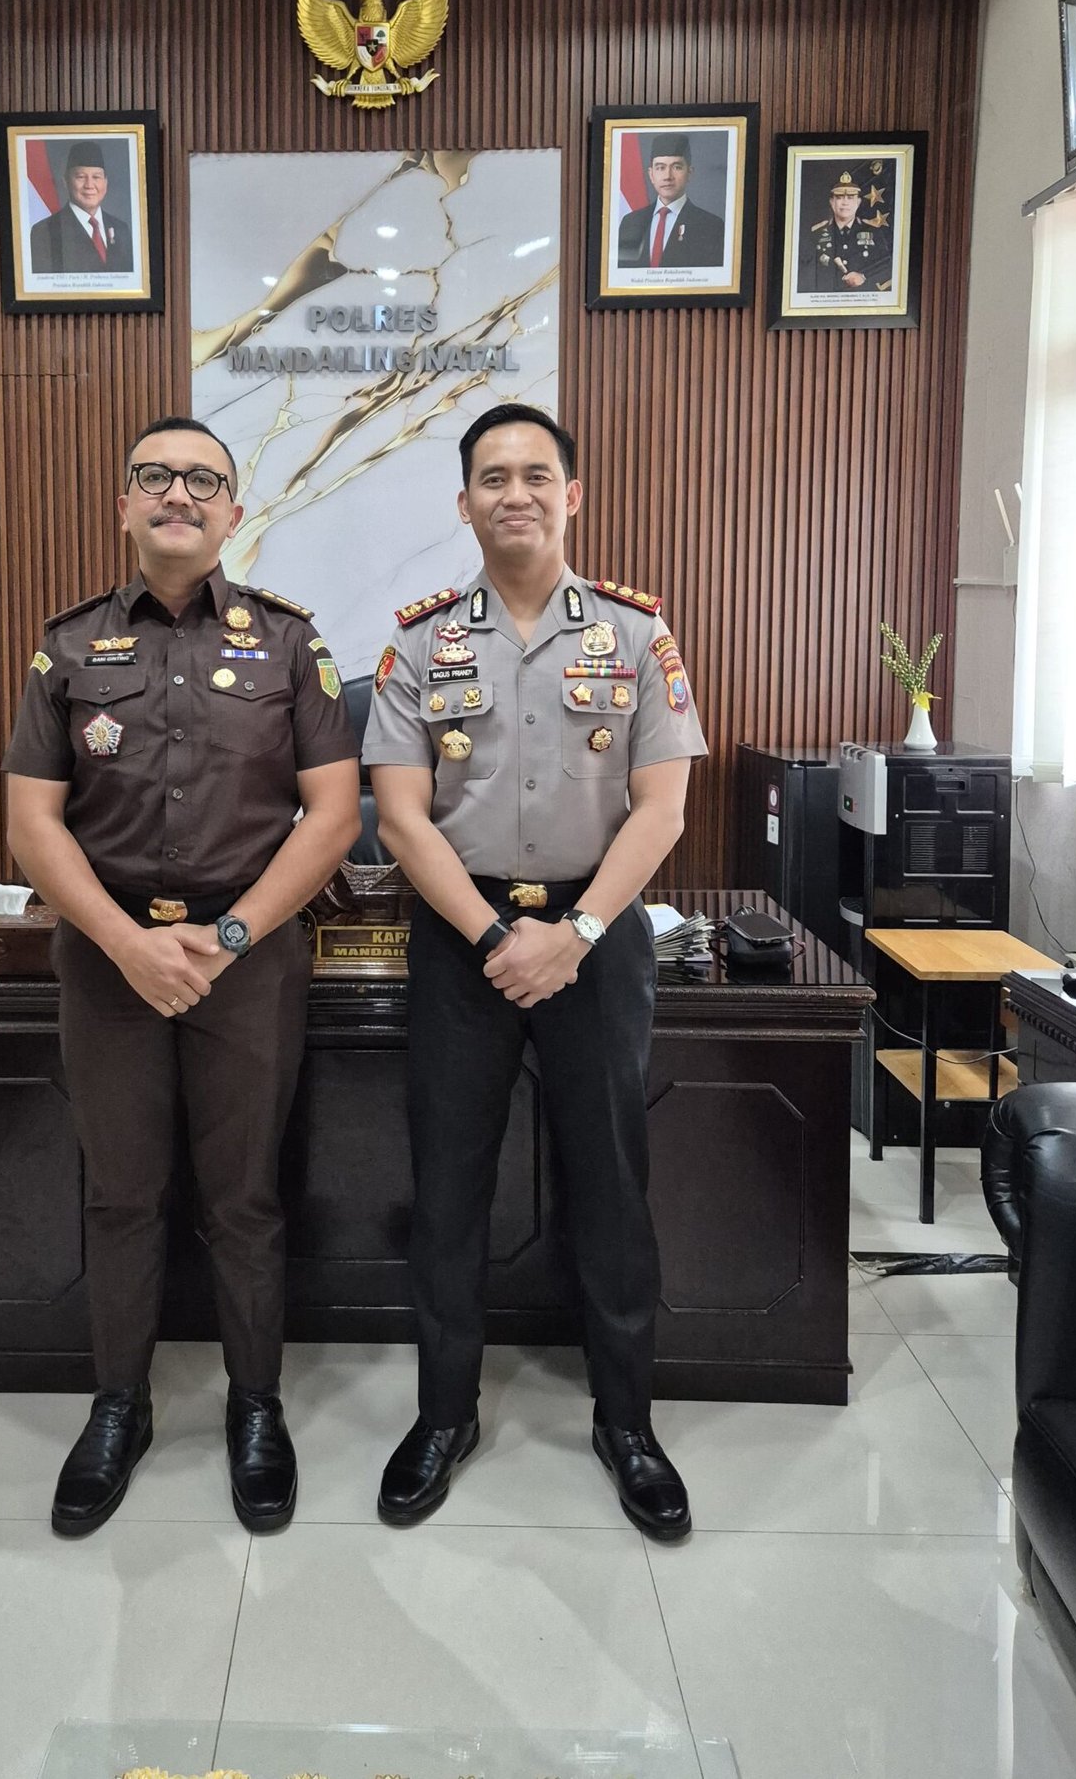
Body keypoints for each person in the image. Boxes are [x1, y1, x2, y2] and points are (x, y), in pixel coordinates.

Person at [3, 416, 360, 1538]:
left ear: (232, 513)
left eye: (203, 480)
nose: (178, 494)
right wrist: (125, 942)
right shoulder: (67, 647)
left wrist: (232, 935)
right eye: (154, 476)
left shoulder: (291, 644)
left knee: (244, 1196)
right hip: (108, 959)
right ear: (124, 504)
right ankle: (120, 1405)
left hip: (245, 963)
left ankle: (257, 1406)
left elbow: (333, 813)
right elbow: (32, 822)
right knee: (120, 1192)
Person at [362, 402, 707, 1539]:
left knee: (610, 1182)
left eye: (536, 474)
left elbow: (661, 808)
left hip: (595, 939)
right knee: (448, 1186)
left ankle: (627, 1421)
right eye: (492, 477)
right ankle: (443, 1414)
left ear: (571, 495)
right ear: (463, 503)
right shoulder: (418, 644)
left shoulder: (636, 634)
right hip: (461, 936)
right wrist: (491, 938)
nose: (515, 492)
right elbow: (402, 818)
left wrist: (578, 932)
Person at [616, 132, 726, 269]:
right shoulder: (630, 222)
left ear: (689, 173)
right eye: (660, 167)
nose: (667, 176)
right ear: (651, 174)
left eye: (676, 167)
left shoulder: (711, 227)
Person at [30, 141, 134, 275]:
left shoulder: (121, 229)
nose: (89, 185)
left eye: (96, 177)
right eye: (81, 177)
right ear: (66, 181)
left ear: (105, 182)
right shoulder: (45, 232)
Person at [801, 168, 892, 293]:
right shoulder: (816, 234)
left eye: (850, 198)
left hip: (863, 299)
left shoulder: (873, 232)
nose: (845, 203)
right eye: (839, 197)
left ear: (858, 202)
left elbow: (887, 267)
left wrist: (864, 276)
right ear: (832, 202)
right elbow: (805, 271)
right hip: (826, 299)